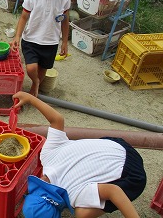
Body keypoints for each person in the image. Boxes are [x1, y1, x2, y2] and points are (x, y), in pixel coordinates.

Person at [12, 91, 147, 218]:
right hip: (116, 145)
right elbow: (57, 120)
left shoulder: (75, 195)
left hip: (133, 175)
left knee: (81, 213)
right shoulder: (48, 155)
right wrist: (29, 98)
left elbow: (114, 191)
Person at [10, 0, 70, 97]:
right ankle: (36, 81)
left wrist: (64, 42)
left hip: (51, 41)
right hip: (31, 38)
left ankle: (35, 85)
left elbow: (65, 20)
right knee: (31, 68)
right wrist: (17, 37)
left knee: (43, 68)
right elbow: (24, 17)